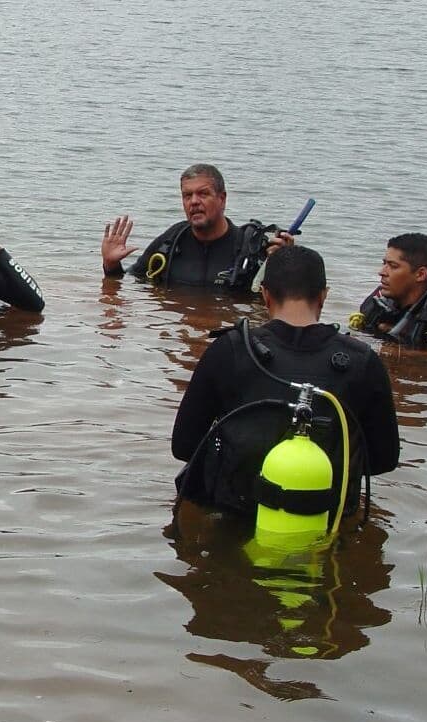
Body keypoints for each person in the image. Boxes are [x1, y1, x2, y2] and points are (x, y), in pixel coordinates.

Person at [171, 245, 400, 526]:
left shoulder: (228, 350)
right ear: (324, 295)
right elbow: (383, 461)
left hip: (236, 519)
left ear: (265, 294)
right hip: (325, 521)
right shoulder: (363, 361)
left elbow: (184, 447)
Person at [101, 164, 291, 290]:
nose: (194, 202)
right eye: (187, 195)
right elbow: (127, 281)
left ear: (222, 198)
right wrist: (111, 265)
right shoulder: (172, 240)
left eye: (203, 194)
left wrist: (285, 262)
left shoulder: (250, 247)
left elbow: (283, 300)